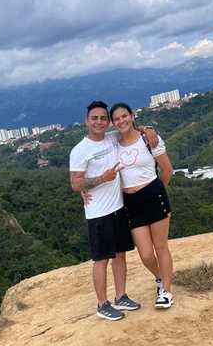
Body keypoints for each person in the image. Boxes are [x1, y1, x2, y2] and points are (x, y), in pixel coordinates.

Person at [69, 100, 143, 321]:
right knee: (101, 260)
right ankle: (102, 304)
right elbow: (75, 183)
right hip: (98, 213)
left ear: (108, 122)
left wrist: (149, 130)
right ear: (86, 121)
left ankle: (121, 296)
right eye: (95, 118)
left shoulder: (112, 138)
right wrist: (101, 178)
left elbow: (132, 129)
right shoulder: (80, 150)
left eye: (103, 118)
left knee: (120, 255)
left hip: (118, 208)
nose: (99, 122)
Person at [109, 102, 175, 308]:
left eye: (124, 116)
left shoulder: (148, 139)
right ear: (113, 123)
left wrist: (158, 191)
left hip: (153, 195)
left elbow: (167, 170)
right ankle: (160, 277)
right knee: (145, 254)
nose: (121, 121)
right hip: (131, 202)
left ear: (132, 115)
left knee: (161, 246)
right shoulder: (113, 143)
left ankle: (166, 291)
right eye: (116, 118)